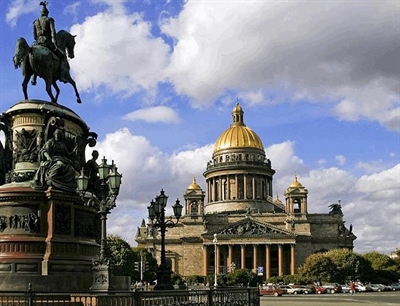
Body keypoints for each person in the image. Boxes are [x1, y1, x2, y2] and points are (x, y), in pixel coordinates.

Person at [31, 128, 79, 193]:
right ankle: (50, 178)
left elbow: (68, 154)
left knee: (71, 169)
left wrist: (75, 149)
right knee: (60, 165)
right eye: (56, 134)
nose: (57, 136)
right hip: (53, 159)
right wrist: (48, 157)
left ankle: (65, 184)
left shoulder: (62, 144)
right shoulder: (51, 142)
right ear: (54, 135)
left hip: (62, 159)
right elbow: (44, 150)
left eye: (59, 134)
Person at [32, 1, 68, 85]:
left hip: (37, 43)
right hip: (47, 42)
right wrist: (55, 41)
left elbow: (34, 35)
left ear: (41, 13)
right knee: (62, 56)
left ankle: (34, 76)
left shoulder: (35, 22)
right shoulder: (49, 19)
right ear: (47, 13)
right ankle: (62, 76)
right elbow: (53, 31)